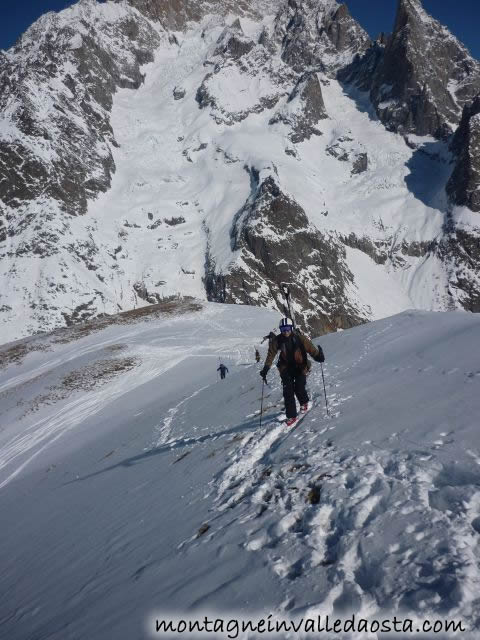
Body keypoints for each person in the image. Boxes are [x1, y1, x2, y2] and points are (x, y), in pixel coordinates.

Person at [260, 317, 325, 427]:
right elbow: (271, 354)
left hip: (301, 366)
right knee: (288, 391)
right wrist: (266, 368)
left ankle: (304, 402)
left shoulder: (300, 338)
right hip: (285, 367)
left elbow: (311, 348)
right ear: (280, 330)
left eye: (288, 329)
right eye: (283, 329)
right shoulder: (277, 340)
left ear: (291, 328)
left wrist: (318, 356)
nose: (286, 332)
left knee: (299, 387)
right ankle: (291, 416)